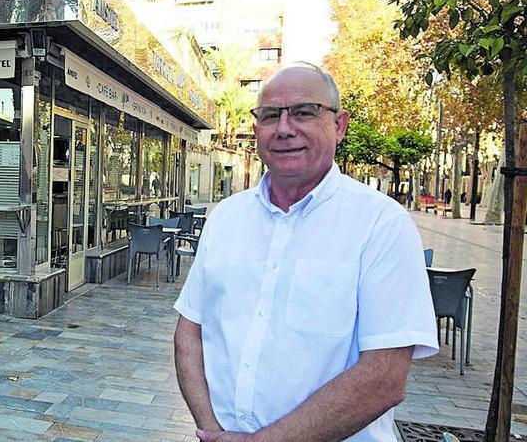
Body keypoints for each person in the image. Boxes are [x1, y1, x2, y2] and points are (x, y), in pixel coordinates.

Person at [173, 64, 438, 442]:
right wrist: (211, 429)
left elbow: (384, 377)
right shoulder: (226, 218)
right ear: (257, 129)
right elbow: (190, 331)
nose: (284, 128)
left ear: (339, 125)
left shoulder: (381, 225)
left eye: (303, 112)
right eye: (270, 116)